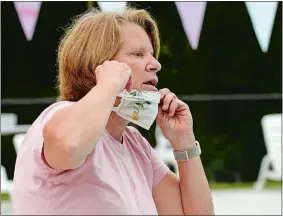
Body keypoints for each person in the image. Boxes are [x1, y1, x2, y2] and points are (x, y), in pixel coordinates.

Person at [12, 7, 214, 215]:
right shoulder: (58, 115)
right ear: (98, 64)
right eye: (138, 54)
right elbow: (70, 145)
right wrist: (108, 84)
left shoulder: (135, 144)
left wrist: (184, 141)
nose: (156, 64)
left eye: (153, 55)